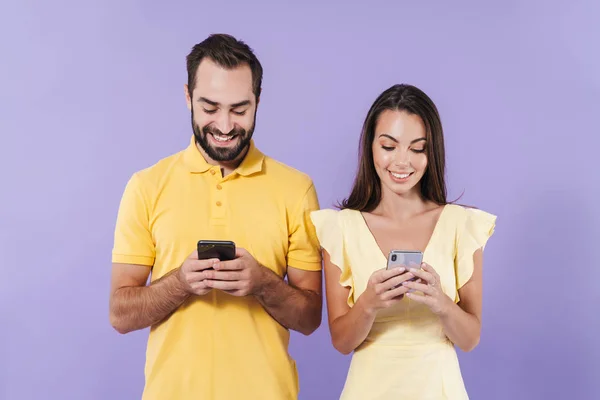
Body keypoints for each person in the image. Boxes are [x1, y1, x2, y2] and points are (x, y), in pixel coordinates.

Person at [108, 34, 323, 400]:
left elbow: (310, 318)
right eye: (210, 108)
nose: (225, 125)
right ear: (188, 97)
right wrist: (180, 283)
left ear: (258, 101)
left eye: (239, 110)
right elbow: (120, 314)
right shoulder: (146, 186)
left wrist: (262, 284)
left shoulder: (296, 189)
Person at [310, 84, 496, 399]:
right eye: (389, 146)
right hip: (368, 388)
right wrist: (368, 302)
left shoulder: (460, 224)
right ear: (370, 147)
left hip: (439, 387)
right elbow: (342, 342)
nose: (401, 161)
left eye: (417, 148)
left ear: (431, 152)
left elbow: (470, 339)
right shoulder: (341, 228)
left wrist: (441, 302)